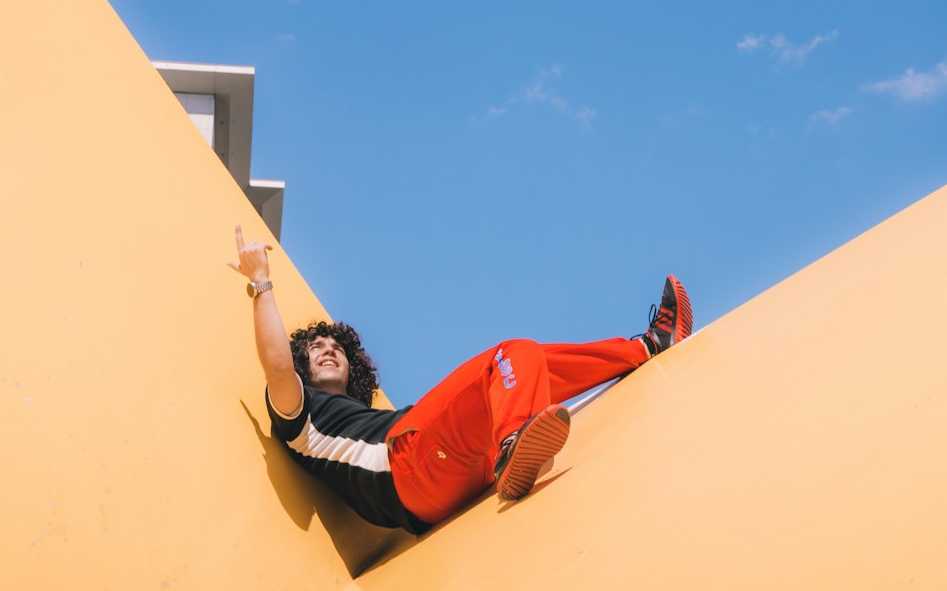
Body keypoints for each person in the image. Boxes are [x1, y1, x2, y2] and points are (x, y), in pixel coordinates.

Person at [228, 225, 693, 535]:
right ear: (301, 365)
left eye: (338, 348)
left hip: (452, 475)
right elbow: (276, 367)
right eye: (316, 348)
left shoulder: (359, 418)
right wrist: (260, 280)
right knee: (508, 357)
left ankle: (648, 345)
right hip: (410, 468)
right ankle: (514, 442)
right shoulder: (300, 413)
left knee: (527, 370)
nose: (329, 350)